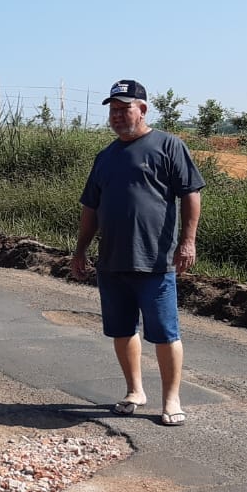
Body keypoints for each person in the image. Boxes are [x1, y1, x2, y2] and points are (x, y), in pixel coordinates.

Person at [71, 79, 204, 425]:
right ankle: (135, 391)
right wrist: (80, 250)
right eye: (112, 110)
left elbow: (191, 194)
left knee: (164, 332)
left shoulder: (168, 146)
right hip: (112, 262)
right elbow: (91, 208)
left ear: (142, 109)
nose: (116, 116)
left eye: (123, 108)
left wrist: (187, 241)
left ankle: (171, 400)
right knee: (122, 330)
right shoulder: (105, 157)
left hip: (155, 262)